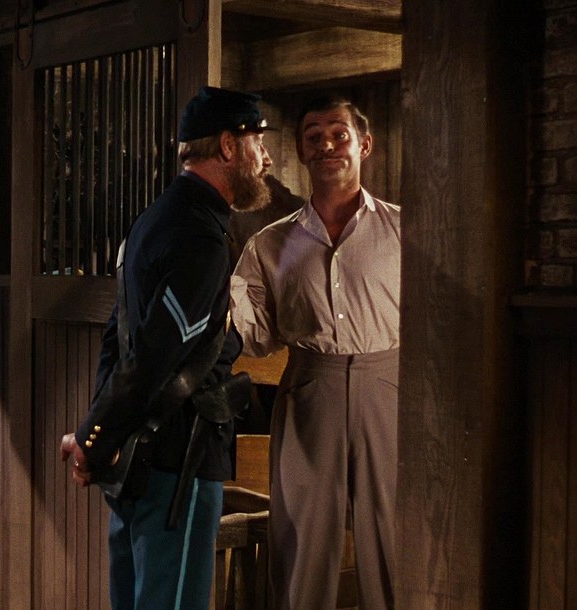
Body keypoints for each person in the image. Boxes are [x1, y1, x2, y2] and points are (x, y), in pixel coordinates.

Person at [60, 85, 273, 610]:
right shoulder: (200, 236)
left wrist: (97, 435)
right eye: (258, 142)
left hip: (137, 459)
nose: (266, 158)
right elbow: (153, 357)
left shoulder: (153, 218)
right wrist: (93, 439)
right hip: (178, 461)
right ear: (229, 146)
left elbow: (117, 341)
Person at [231, 95, 400, 609]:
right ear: (302, 152)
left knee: (393, 534)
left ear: (364, 145)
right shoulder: (270, 244)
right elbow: (256, 336)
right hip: (308, 389)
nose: (327, 145)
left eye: (338, 134)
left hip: (389, 388)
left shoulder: (404, 230)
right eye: (313, 137)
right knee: (303, 538)